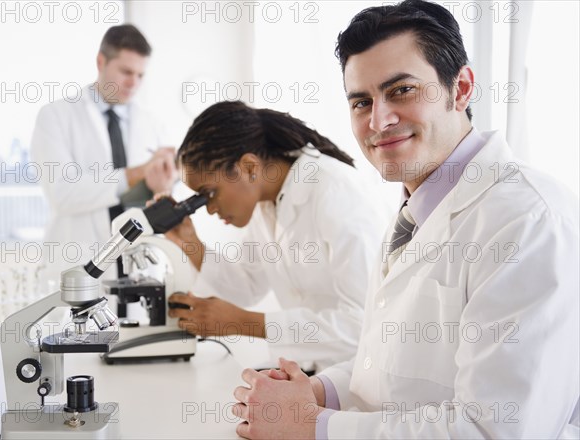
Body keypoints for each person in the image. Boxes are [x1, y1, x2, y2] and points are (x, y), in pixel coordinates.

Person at [231, 1, 580, 439]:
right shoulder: (416, 209)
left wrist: (311, 426)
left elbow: (495, 430)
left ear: (462, 88)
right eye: (362, 102)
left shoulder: (528, 221)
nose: (379, 120)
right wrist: (320, 392)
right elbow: (393, 370)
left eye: (402, 90)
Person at [163, 100, 390, 371]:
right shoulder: (265, 203)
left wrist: (244, 323)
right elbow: (246, 287)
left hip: (362, 376)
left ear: (249, 167)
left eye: (209, 193)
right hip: (317, 371)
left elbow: (360, 326)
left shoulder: (335, 192)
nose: (209, 209)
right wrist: (189, 243)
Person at [31, 24, 177, 282]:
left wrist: (163, 187)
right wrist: (137, 173)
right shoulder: (56, 116)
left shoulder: (153, 123)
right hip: (79, 260)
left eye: (141, 75)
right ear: (101, 61)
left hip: (140, 262)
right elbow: (63, 192)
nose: (134, 83)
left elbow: (161, 197)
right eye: (126, 72)